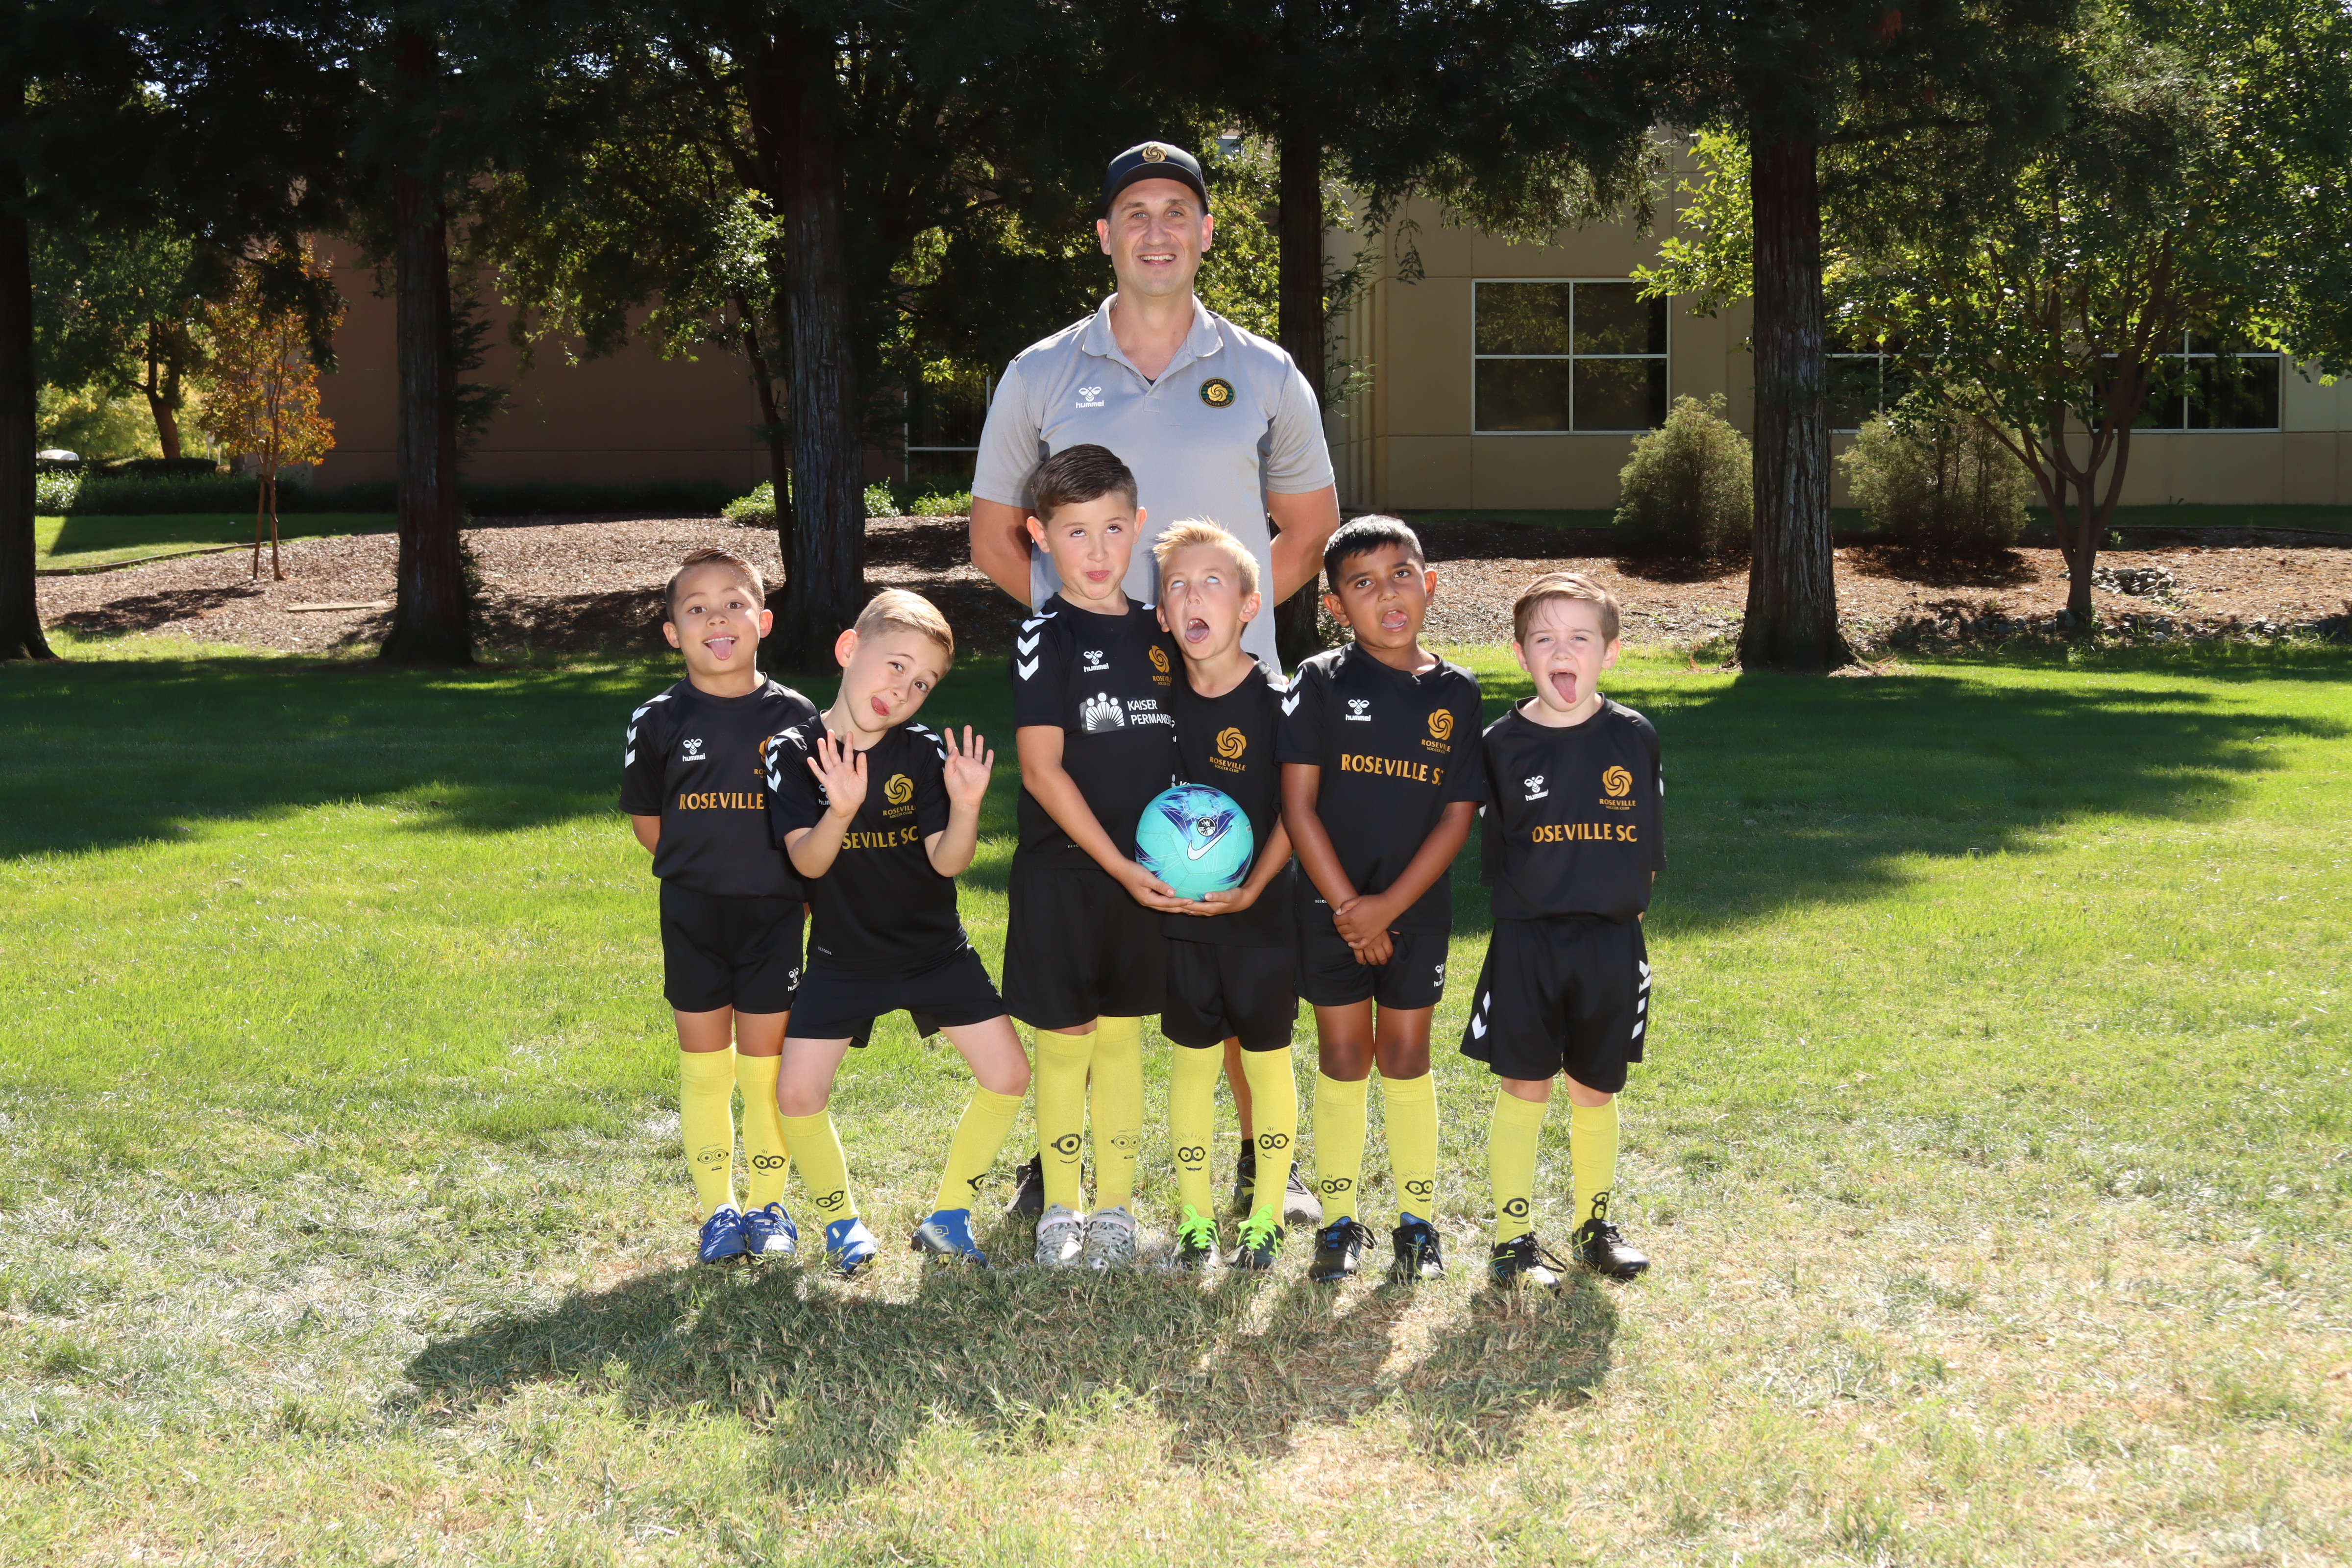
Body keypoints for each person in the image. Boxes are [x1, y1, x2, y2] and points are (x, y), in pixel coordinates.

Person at [969, 138, 1340, 1226]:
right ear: (1104, 234)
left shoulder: (1264, 371)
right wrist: (1092, 637)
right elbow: (995, 536)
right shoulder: (1041, 372)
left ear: (1208, 231)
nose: (1157, 230)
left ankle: (1268, 1159)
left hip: (1231, 699)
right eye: (1135, 212)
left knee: (1235, 919)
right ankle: (1069, 1157)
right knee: (1097, 924)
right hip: (1099, 708)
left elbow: (1308, 531)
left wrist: (1209, 640)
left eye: (1178, 209)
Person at [762, 589, 1030, 1275]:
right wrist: (840, 810)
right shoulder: (793, 752)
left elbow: (949, 861)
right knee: (797, 1095)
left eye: (922, 684)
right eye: (895, 666)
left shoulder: (922, 751)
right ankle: (842, 1224)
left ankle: (949, 1217)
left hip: (934, 952)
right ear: (849, 650)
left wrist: (966, 806)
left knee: (1008, 1075)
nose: (903, 691)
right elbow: (808, 862)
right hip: (843, 958)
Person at [1279, 517, 1486, 1285]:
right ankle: (1339, 1224)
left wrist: (1387, 909)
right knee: (1343, 1055)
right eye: (1362, 584)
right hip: (1328, 909)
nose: (1387, 596)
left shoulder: (1458, 691)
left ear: (1428, 584)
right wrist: (1350, 909)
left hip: (1415, 912)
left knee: (1405, 1056)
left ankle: (1417, 1225)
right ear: (1337, 607)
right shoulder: (1319, 681)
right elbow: (1298, 808)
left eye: (1401, 575)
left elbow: (1457, 816)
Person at [1003, 445, 1185, 1269]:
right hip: (1069, 874)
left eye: (1113, 527)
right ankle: (1060, 1207)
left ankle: (1115, 1208)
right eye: (1076, 532)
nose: (1099, 550)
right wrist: (1117, 866)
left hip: (1149, 869)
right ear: (1040, 537)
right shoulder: (1044, 636)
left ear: (1139, 526)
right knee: (1066, 1037)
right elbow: (1043, 770)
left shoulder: (1163, 631)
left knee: (1119, 1037)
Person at [620, 548, 817, 1265]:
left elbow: (815, 821)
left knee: (765, 1069)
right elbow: (650, 822)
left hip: (775, 918)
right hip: (693, 917)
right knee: (705, 1068)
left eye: (734, 603)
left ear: (763, 621)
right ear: (673, 633)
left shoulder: (798, 717)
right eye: (697, 608)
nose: (717, 619)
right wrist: (704, 870)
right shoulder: (657, 719)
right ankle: (717, 1211)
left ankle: (768, 1205)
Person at [1467, 572, 1660, 1287]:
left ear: (1609, 651)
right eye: (1544, 638)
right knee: (1525, 1086)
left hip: (1609, 944)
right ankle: (1512, 1240)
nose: (1562, 651)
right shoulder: (1500, 744)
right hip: (1529, 943)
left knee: (1595, 1088)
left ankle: (1594, 1227)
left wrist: (1623, 910)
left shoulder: (1634, 736)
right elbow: (1498, 853)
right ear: (1521, 654)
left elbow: (1647, 851)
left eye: (1580, 637)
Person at [1151, 520, 1301, 1272]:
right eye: (1177, 586)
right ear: (1161, 615)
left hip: (1261, 921)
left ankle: (1266, 1216)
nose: (1192, 597)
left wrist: (1253, 889)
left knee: (1267, 1063)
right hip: (1181, 925)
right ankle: (1195, 1220)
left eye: (1212, 582)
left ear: (1248, 606)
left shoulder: (1281, 705)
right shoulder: (1155, 705)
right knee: (1192, 1066)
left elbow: (1299, 814)